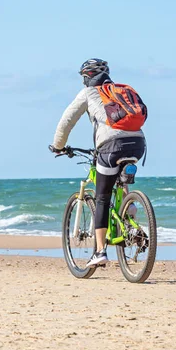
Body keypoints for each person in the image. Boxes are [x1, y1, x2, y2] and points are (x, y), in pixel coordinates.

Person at [49, 58, 146, 267]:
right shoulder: (120, 91)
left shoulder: (87, 93)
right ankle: (131, 224)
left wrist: (58, 146)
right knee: (120, 181)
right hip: (138, 144)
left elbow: (67, 121)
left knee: (102, 197)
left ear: (86, 77)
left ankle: (100, 252)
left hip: (111, 146)